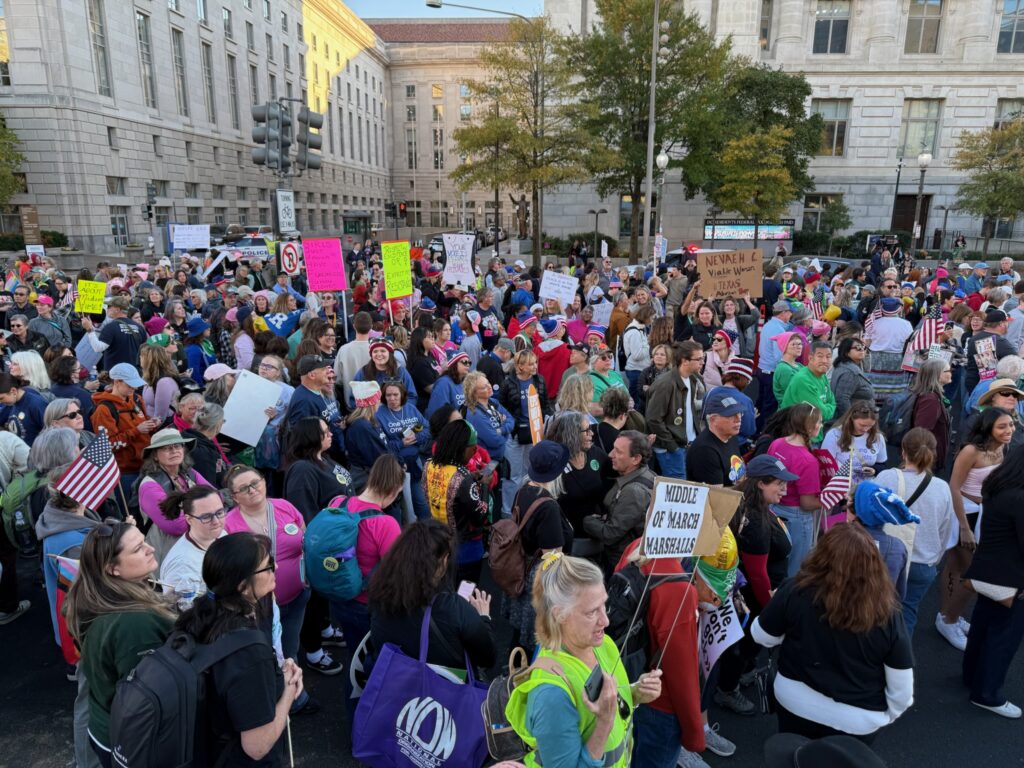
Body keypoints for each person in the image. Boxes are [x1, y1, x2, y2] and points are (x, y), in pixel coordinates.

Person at [752, 523, 914, 741]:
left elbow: (761, 635)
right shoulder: (888, 613)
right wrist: (884, 717)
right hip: (858, 720)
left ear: (821, 554)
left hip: (795, 701)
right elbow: (901, 689)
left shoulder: (795, 589)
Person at [505, 553, 662, 768]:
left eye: (603, 606)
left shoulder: (602, 644)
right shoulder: (551, 694)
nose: (605, 621)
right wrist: (604, 722)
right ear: (560, 615)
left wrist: (635, 693)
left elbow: (613, 699)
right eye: (591, 612)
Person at [173, 533, 304, 765]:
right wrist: (288, 692)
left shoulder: (199, 617)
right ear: (243, 586)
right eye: (268, 566)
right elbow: (257, 746)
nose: (277, 567)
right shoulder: (248, 652)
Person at [65, 521, 175, 767]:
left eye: (144, 541)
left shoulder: (99, 593)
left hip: (106, 722)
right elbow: (148, 697)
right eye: (137, 549)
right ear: (112, 568)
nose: (150, 549)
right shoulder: (135, 623)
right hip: (132, 738)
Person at [323, 454, 403, 719]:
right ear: (392, 491)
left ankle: (357, 714)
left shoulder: (338, 502)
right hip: (367, 604)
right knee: (370, 663)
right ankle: (366, 721)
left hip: (338, 595)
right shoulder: (385, 523)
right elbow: (396, 572)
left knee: (353, 653)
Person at [368, 518, 496, 679]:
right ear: (443, 561)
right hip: (445, 693)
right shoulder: (455, 608)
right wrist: (484, 617)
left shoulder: (380, 592)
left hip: (397, 684)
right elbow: (487, 657)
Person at [939, 407, 1015, 650]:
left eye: (1011, 425)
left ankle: (949, 615)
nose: (1009, 430)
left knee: (963, 569)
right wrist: (963, 528)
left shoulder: (1003, 447)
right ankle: (947, 619)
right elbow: (953, 486)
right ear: (988, 428)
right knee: (968, 571)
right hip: (965, 514)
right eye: (1002, 426)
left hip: (986, 515)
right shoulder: (971, 451)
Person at [281, 416, 350, 675]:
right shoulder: (301, 470)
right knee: (310, 597)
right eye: (324, 431)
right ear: (311, 437)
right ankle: (313, 652)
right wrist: (321, 546)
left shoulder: (322, 459)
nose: (330, 433)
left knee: (322, 594)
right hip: (318, 547)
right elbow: (303, 514)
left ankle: (325, 629)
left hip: (333, 540)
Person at [961, 443, 1024, 718]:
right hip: (1012, 578)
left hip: (987, 570)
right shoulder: (1020, 498)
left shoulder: (997, 487)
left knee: (982, 626)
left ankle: (972, 676)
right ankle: (987, 694)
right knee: (1004, 636)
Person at [876, 428, 957, 635]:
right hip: (923, 563)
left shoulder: (886, 478)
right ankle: (899, 662)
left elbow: (869, 515)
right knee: (908, 613)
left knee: (873, 611)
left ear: (903, 451)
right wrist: (934, 558)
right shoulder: (942, 488)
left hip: (886, 559)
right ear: (934, 453)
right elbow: (946, 530)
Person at [422, 420, 491, 583]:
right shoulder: (463, 478)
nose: (475, 452)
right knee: (465, 596)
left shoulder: (429, 465)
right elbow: (480, 516)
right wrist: (485, 487)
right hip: (464, 551)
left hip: (438, 542)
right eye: (473, 448)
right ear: (460, 447)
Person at [582, 430, 655, 573]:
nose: (610, 455)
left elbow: (610, 534)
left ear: (636, 459)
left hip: (621, 564)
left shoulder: (633, 492)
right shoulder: (649, 474)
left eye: (618, 452)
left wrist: (587, 520)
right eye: (613, 448)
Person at [138, 428, 214, 564]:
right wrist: (209, 515)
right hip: (169, 551)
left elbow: (216, 497)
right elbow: (176, 525)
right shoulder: (149, 486)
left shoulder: (189, 473)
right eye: (166, 448)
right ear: (155, 455)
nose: (174, 451)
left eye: (178, 445)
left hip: (198, 545)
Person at [767, 403, 823, 576]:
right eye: (819, 422)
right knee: (795, 572)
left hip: (773, 509)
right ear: (810, 426)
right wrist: (829, 498)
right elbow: (807, 503)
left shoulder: (777, 444)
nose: (821, 426)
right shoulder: (807, 460)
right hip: (796, 518)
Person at [498, 349, 552, 516]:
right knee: (513, 476)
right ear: (520, 366)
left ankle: (527, 508)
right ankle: (508, 512)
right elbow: (501, 407)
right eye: (530, 363)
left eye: (535, 362)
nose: (535, 366)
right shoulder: (508, 383)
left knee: (531, 473)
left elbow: (545, 406)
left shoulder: (539, 381)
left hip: (535, 434)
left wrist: (547, 424)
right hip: (514, 435)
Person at [545, 410, 612, 539]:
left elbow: (614, 476)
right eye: (586, 430)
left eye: (591, 429)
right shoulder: (554, 462)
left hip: (595, 534)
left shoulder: (595, 453)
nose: (591, 434)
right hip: (568, 537)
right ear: (572, 434)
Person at [646, 341, 705, 479]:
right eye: (699, 359)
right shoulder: (665, 384)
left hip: (686, 445)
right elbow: (653, 419)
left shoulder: (692, 379)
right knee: (677, 490)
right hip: (671, 449)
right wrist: (672, 446)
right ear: (685, 361)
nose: (702, 362)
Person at [849, 481, 918, 599]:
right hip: (880, 613)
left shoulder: (840, 540)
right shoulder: (898, 548)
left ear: (856, 511)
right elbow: (899, 595)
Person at [91, 363, 159, 483]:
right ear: (117, 382)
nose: (134, 388)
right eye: (130, 385)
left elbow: (143, 422)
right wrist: (137, 430)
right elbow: (108, 446)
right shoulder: (104, 409)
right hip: (126, 472)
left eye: (135, 384)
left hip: (148, 464)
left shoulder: (137, 399)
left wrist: (151, 424)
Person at [157, 484, 226, 595]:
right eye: (206, 517)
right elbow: (179, 609)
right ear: (189, 519)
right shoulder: (182, 566)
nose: (216, 521)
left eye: (219, 513)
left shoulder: (221, 534)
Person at [377, 380, 431, 520]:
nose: (392, 399)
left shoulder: (410, 408)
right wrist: (401, 443)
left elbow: (427, 429)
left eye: (395, 394)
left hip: (415, 462)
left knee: (421, 502)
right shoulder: (379, 414)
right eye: (388, 395)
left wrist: (416, 437)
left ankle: (426, 532)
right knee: (403, 506)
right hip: (396, 466)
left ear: (402, 395)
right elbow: (383, 445)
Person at [685, 389, 747, 486]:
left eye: (739, 413)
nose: (738, 419)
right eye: (731, 415)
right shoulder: (705, 451)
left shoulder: (730, 436)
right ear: (713, 420)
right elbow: (717, 495)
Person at [820, 400, 888, 482]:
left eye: (870, 426)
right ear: (852, 418)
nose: (866, 429)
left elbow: (882, 465)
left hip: (866, 486)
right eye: (862, 425)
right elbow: (825, 465)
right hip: (840, 485)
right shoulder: (834, 435)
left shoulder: (877, 437)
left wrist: (874, 470)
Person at [779, 341, 836, 438]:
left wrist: (829, 406)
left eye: (828, 356)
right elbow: (821, 413)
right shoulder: (803, 380)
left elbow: (833, 402)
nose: (825, 361)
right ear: (810, 358)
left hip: (814, 433)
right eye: (820, 356)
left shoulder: (822, 375)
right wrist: (829, 407)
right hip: (799, 437)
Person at [909, 358, 953, 471]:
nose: (950, 373)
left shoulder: (932, 395)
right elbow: (922, 432)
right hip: (927, 460)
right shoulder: (930, 400)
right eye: (947, 370)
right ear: (937, 375)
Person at [80, 296, 147, 371]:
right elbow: (145, 350)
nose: (107, 309)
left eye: (109, 306)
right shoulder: (140, 328)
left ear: (117, 309)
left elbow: (98, 348)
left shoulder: (111, 327)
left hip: (115, 374)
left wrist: (89, 330)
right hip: (135, 373)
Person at [345, 381, 390, 483]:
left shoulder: (371, 420)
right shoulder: (361, 427)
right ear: (372, 402)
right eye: (379, 399)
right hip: (370, 480)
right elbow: (375, 457)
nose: (380, 402)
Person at [182, 402, 232, 487]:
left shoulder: (185, 437)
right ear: (218, 424)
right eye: (223, 421)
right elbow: (208, 488)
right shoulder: (204, 452)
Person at [0, 370, 48, 444]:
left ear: (13, 391)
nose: (0, 402)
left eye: (1, 398)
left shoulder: (36, 404)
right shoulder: (11, 403)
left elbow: (51, 431)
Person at [830, 337, 875, 416]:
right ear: (847, 352)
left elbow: (867, 368)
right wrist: (851, 420)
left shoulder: (846, 366)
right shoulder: (849, 372)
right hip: (854, 419)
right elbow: (842, 400)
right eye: (858, 348)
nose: (862, 350)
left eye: (863, 347)